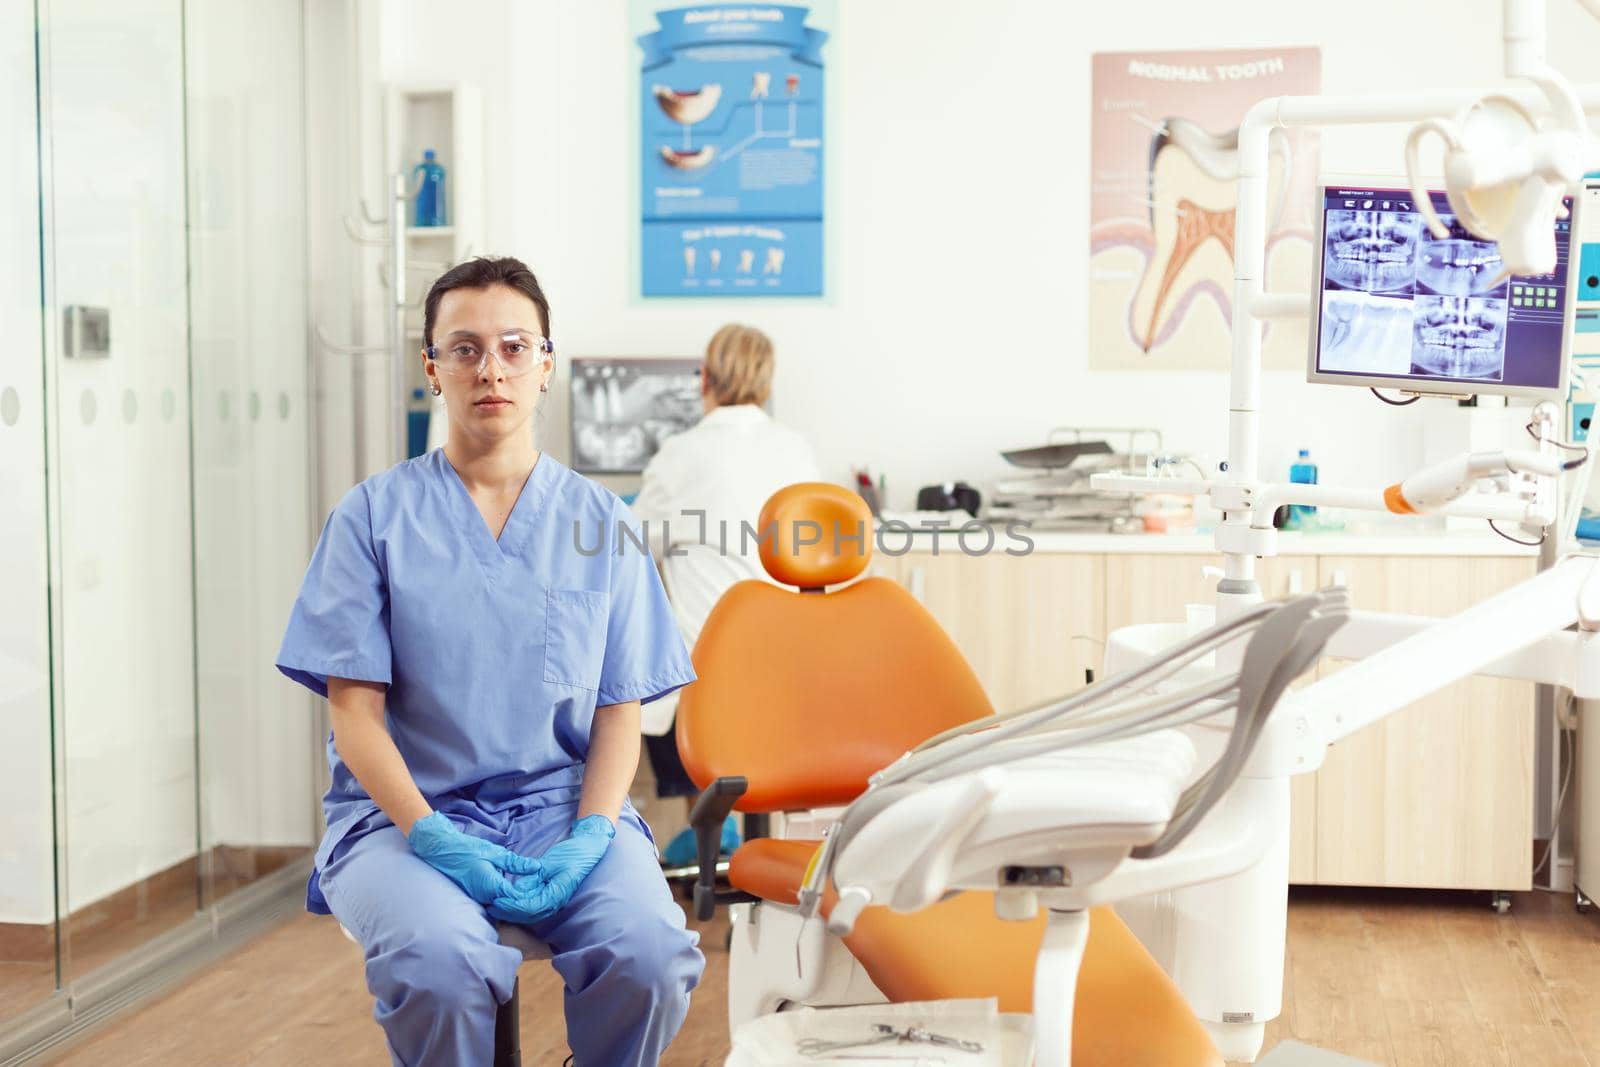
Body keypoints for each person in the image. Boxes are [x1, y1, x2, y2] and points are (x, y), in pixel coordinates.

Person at [275, 256, 703, 1067]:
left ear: (546, 365)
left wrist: (592, 830)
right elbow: (353, 714)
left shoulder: (599, 522)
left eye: (513, 346)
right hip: (403, 817)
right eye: (464, 348)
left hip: (563, 807)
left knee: (649, 951)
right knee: (438, 963)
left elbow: (619, 709)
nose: (491, 368)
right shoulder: (372, 518)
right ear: (432, 369)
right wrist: (433, 834)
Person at [628, 323, 821, 864]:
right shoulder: (795, 451)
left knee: (653, 663)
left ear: (704, 379)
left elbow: (631, 546)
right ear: (767, 383)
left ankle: (709, 830)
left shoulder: (680, 454)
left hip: (704, 670)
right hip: (785, 661)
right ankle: (752, 838)